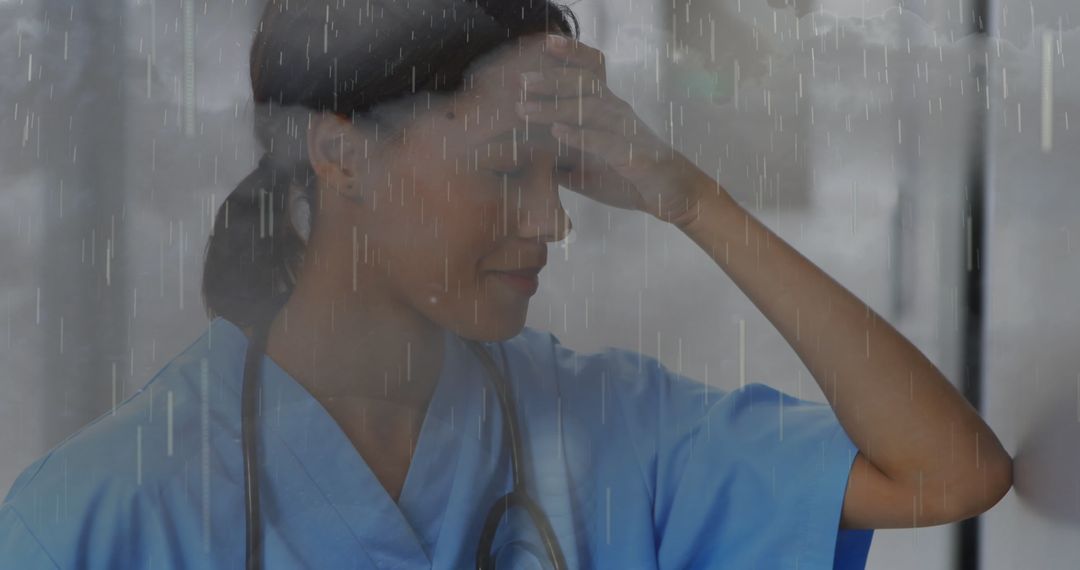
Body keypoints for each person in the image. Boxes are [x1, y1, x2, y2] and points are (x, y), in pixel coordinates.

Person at [0, 0, 1013, 568]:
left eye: (559, 167)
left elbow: (950, 472)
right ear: (339, 151)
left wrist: (688, 196)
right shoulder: (100, 518)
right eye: (504, 167)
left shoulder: (612, 435)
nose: (552, 219)